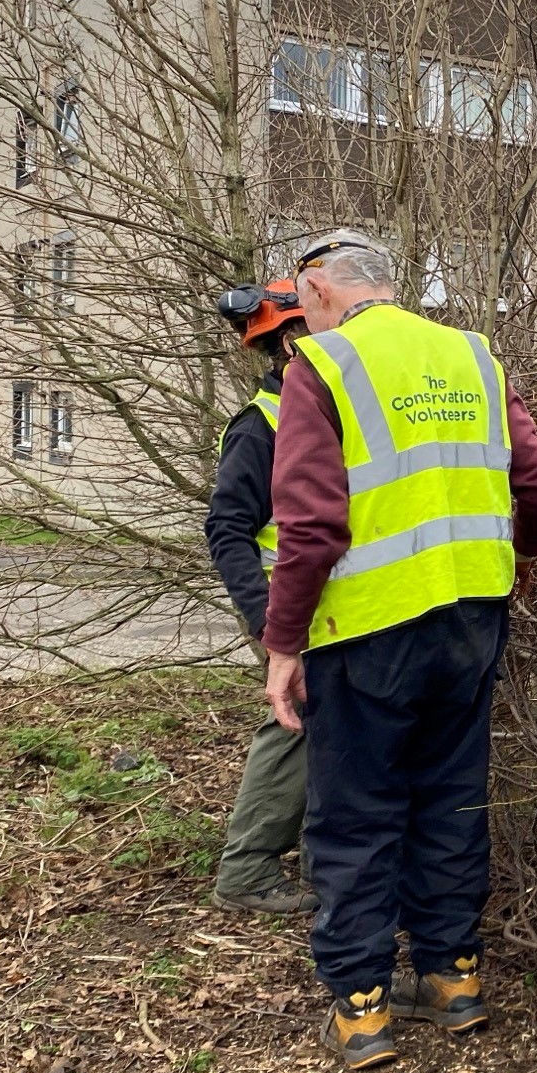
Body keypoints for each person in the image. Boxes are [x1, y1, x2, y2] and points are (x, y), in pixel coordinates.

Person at [259, 229, 537, 1071]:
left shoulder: (320, 369)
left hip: (369, 631)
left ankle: (362, 1008)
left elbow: (312, 528)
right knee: (451, 798)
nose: (296, 316)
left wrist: (283, 644)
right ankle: (453, 978)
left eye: (297, 297)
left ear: (319, 288)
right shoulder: (473, 355)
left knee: (356, 814)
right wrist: (523, 556)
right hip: (471, 621)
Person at [204, 280, 318, 915]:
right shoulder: (260, 427)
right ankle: (246, 869)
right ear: (283, 346)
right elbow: (227, 529)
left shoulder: (325, 411)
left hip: (333, 604)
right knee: (297, 727)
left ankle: (314, 851)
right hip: (286, 608)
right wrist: (270, 622)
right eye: (301, 336)